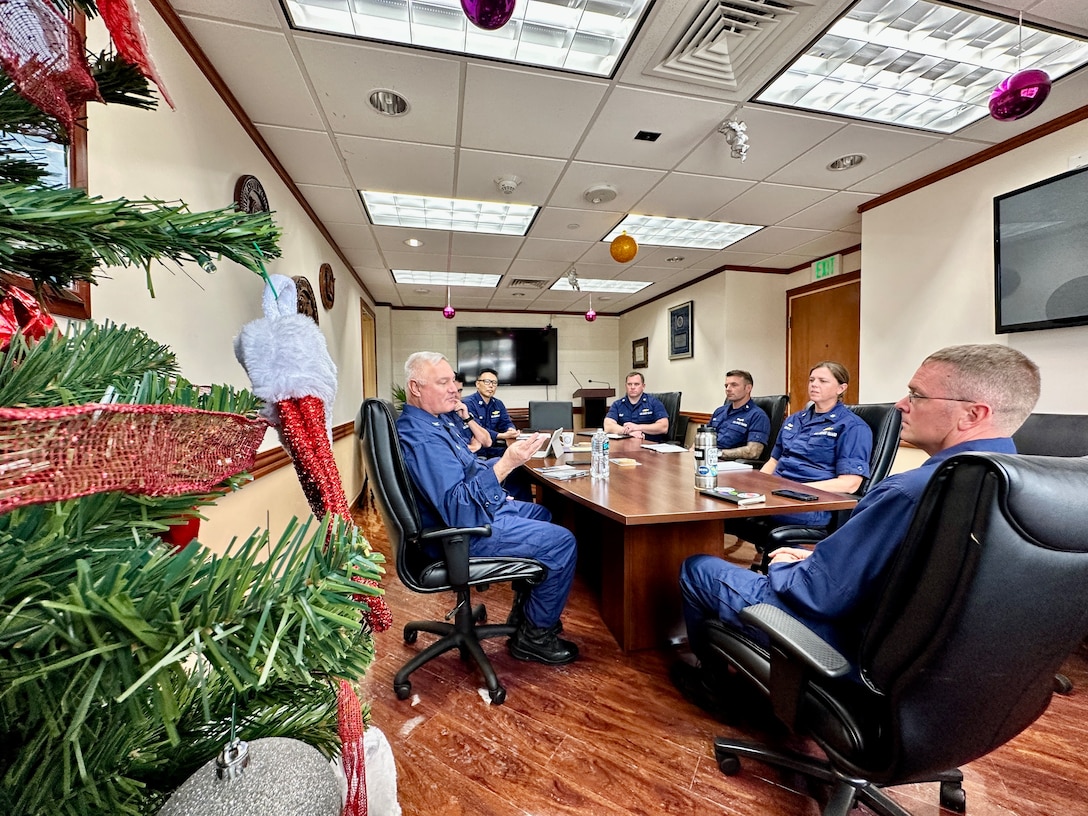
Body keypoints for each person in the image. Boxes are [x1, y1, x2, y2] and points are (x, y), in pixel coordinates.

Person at [675, 344, 1041, 710]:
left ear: (973, 414)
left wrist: (787, 566)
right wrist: (817, 554)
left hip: (847, 647)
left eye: (916, 394)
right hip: (941, 677)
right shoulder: (1028, 486)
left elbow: (817, 594)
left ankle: (714, 687)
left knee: (699, 568)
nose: (900, 404)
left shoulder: (908, 491)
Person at [396, 352, 579, 665]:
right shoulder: (422, 438)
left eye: (453, 379)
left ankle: (525, 614)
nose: (455, 387)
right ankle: (535, 637)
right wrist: (507, 463)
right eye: (443, 382)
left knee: (542, 513)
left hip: (469, 515)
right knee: (562, 542)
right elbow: (458, 507)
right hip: (458, 535)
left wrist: (503, 468)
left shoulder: (435, 423)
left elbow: (469, 466)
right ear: (415, 387)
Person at [758, 361, 872, 527]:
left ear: (841, 388)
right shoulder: (794, 419)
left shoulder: (852, 426)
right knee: (727, 500)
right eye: (812, 380)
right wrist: (757, 486)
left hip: (811, 502)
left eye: (823, 381)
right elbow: (774, 461)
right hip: (777, 493)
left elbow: (850, 484)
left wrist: (797, 489)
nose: (814, 385)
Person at [705, 370, 771, 461]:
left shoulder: (757, 416)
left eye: (734, 385)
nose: (728, 389)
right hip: (708, 458)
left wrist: (717, 453)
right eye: (726, 385)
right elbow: (704, 435)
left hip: (730, 464)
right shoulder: (719, 411)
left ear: (748, 388)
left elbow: (753, 452)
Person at [462, 368, 519, 459]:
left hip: (496, 448)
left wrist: (510, 429)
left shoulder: (498, 403)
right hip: (478, 450)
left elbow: (506, 422)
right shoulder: (468, 403)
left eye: (494, 383)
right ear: (477, 384)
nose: (491, 386)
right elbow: (477, 429)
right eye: (487, 382)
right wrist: (500, 435)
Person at [603, 372, 670, 441]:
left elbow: (663, 427)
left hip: (650, 445)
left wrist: (637, 427)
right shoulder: (617, 404)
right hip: (624, 445)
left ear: (643, 386)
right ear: (625, 386)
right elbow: (608, 426)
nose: (632, 387)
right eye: (629, 384)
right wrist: (628, 431)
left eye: (636, 384)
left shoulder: (654, 403)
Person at [447, 371, 491, 453]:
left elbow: (487, 442)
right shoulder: (439, 415)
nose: (457, 396)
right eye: (452, 391)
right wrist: (473, 447)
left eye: (459, 391)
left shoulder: (463, 410)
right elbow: (448, 451)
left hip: (478, 459)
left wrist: (467, 418)